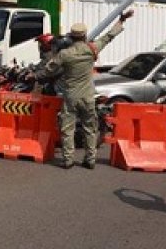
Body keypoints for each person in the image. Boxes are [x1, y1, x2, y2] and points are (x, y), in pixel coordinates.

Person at [32, 10, 134, 169]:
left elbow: (48, 71)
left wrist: (35, 76)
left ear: (71, 37)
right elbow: (109, 37)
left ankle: (68, 160)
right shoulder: (91, 49)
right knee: (90, 128)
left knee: (67, 129)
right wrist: (122, 20)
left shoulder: (65, 54)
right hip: (88, 95)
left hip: (70, 96)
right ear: (85, 36)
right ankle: (90, 159)